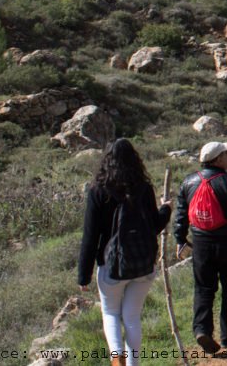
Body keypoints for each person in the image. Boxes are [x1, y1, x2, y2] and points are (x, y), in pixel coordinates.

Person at [78, 139, 172, 366]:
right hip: (142, 265)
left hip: (110, 267)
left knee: (110, 313)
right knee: (131, 317)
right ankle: (133, 364)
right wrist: (166, 209)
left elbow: (90, 237)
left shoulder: (98, 191)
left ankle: (117, 360)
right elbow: (155, 226)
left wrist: (84, 275)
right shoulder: (144, 188)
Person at [173, 141, 227, 354]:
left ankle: (201, 329)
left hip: (201, 244)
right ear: (218, 159)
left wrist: (180, 239)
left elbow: (180, 215)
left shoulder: (188, 182)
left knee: (204, 288)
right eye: (226, 154)